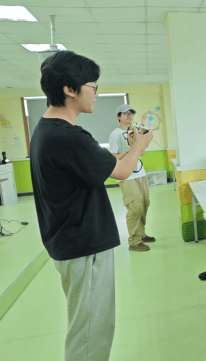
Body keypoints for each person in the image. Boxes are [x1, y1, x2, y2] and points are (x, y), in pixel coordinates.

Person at [30, 51, 153, 361]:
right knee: (90, 334)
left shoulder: (49, 130)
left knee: (90, 327)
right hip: (83, 246)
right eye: (93, 86)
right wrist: (138, 145)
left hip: (71, 241)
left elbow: (107, 163)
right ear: (70, 89)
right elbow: (123, 171)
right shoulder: (68, 137)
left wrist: (129, 150)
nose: (97, 94)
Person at [109, 104, 155, 252]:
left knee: (145, 203)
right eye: (125, 113)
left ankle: (141, 234)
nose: (129, 116)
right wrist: (130, 150)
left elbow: (141, 153)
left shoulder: (136, 132)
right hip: (126, 174)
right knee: (134, 206)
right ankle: (134, 241)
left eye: (131, 113)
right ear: (118, 116)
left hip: (140, 173)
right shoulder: (115, 134)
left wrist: (139, 144)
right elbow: (114, 158)